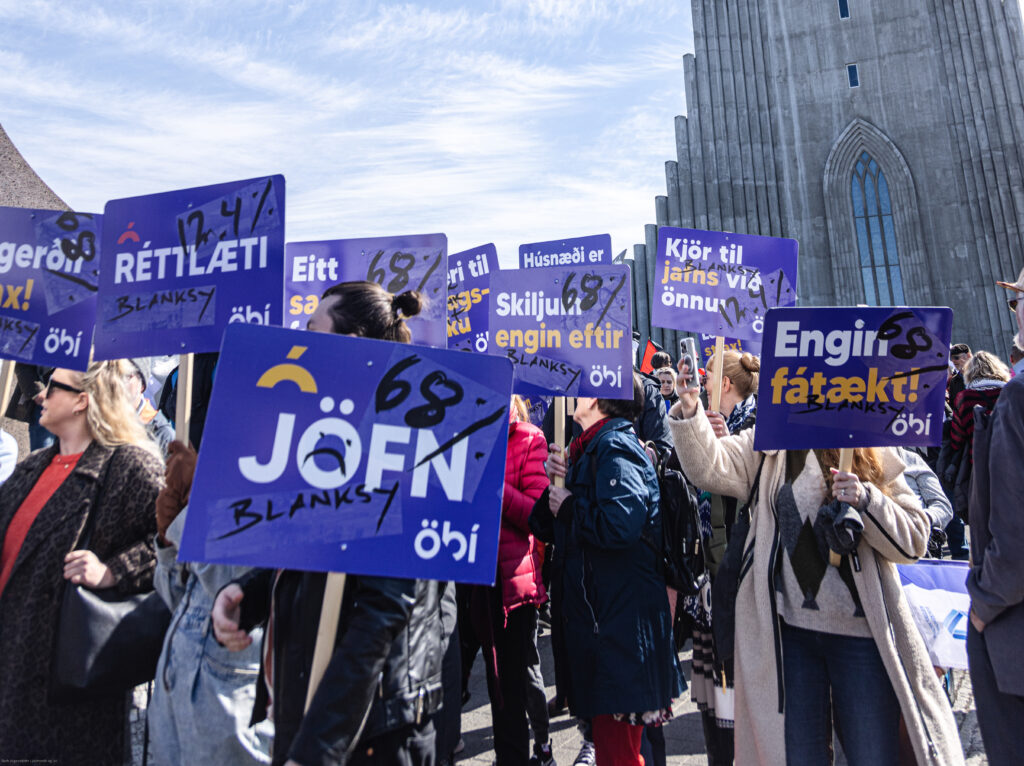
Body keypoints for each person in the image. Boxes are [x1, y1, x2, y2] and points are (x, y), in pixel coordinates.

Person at [667, 363, 964, 766]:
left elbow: (913, 539)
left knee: (872, 755)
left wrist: (866, 499)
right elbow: (711, 465)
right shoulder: (770, 445)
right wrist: (690, 409)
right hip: (790, 637)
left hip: (861, 637)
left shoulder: (873, 446)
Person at [212, 281, 448, 766]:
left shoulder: (404, 438)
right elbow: (315, 548)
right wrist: (249, 593)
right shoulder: (326, 436)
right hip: (310, 720)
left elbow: (382, 611)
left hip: (370, 737)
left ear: (351, 345)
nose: (299, 339)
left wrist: (319, 749)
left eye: (312, 329)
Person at [0, 361, 164, 765]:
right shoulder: (32, 466)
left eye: (53, 386)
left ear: (82, 401)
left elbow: (172, 546)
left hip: (67, 678)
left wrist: (114, 570)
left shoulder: (129, 465)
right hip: (12, 657)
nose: (40, 393)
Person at [531, 376, 684, 766]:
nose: (571, 394)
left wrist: (568, 505)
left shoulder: (615, 447)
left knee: (619, 755)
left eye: (580, 386)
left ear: (599, 399)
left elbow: (621, 524)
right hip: (604, 629)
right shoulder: (587, 449)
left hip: (619, 632)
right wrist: (556, 482)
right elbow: (544, 524)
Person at [149, 440, 274, 765]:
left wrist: (197, 507)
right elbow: (177, 598)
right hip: (176, 694)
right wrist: (167, 540)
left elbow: (240, 591)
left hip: (231, 708)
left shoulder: (297, 469)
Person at [685, 350, 758, 765]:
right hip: (708, 585)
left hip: (739, 580)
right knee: (715, 710)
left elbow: (751, 492)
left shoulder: (756, 427)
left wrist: (725, 441)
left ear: (724, 384)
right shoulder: (710, 423)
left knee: (741, 703)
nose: (703, 383)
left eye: (708, 378)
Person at [470, 394, 553, 765]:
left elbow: (538, 517)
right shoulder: (461, 435)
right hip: (464, 581)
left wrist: (493, 488)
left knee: (508, 696)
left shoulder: (530, 439)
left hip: (510, 589)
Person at [966, 267, 1024, 766]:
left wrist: (983, 604)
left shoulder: (1020, 398)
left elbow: (1016, 531)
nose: (1014, 308)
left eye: (1018, 298)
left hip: (1014, 630)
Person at [126, 357, 175, 456]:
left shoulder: (163, 435)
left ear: (142, 385)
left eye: (127, 376)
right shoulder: (101, 424)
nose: (117, 382)